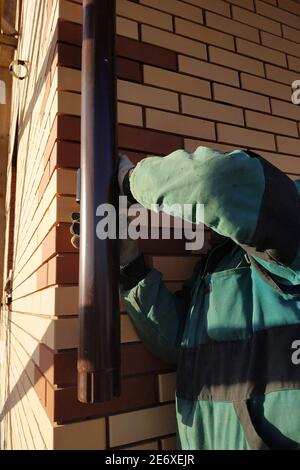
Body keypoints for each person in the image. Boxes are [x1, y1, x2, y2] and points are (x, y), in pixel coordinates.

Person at [71, 147, 300, 450]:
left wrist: (129, 180)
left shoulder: (291, 220)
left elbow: (215, 181)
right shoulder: (215, 264)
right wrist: (130, 265)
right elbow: (176, 343)